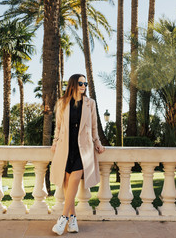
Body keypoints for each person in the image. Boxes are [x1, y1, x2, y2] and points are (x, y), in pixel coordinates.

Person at [50, 74, 105, 235]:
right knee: (68, 183)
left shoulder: (90, 104)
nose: (84, 86)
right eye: (81, 83)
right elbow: (58, 126)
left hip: (84, 149)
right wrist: (55, 141)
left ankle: (63, 218)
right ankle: (73, 219)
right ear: (73, 85)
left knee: (74, 179)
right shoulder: (62, 102)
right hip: (66, 148)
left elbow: (94, 127)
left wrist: (98, 143)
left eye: (85, 83)